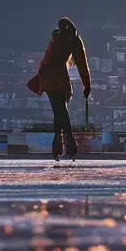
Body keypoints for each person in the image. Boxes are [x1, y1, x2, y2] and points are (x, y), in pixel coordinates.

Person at [27, 17, 91, 163]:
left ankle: (58, 147)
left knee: (58, 110)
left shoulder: (55, 38)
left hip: (47, 79)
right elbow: (82, 65)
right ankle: (69, 145)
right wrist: (87, 86)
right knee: (62, 109)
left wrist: (41, 76)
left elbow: (46, 60)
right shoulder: (74, 40)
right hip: (59, 78)